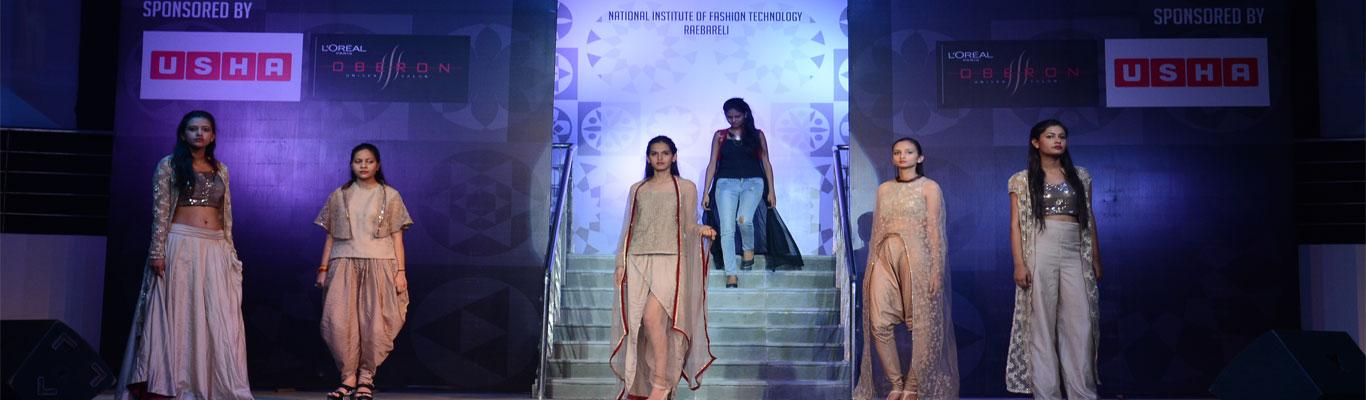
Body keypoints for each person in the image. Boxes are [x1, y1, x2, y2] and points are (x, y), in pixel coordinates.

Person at [118, 110, 253, 400]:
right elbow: (160, 211)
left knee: (215, 315)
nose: (199, 134)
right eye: (193, 129)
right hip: (181, 244)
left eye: (205, 129)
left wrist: (229, 249)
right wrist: (157, 251)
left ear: (213, 136)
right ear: (183, 134)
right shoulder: (168, 165)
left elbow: (226, 213)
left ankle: (209, 383)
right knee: (181, 313)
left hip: (214, 246)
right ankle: (175, 382)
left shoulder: (221, 169)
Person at [610, 136, 717, 400]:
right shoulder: (638, 189)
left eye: (665, 153)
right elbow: (629, 227)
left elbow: (688, 223)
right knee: (641, 325)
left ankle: (662, 381)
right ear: (648, 158)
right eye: (655, 153)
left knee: (652, 317)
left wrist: (700, 229)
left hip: (671, 259)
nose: (660, 158)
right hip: (637, 258)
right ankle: (650, 385)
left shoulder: (686, 187)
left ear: (674, 156)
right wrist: (621, 262)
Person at [1004, 120, 1103, 400]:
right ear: (1036, 142)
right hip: (1040, 246)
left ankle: (1082, 393)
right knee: (1041, 324)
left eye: (1062, 136)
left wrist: (1095, 257)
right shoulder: (1021, 179)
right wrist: (1019, 263)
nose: (1057, 141)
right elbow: (1015, 225)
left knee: (1080, 323)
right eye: (1050, 136)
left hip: (1075, 248)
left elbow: (1089, 218)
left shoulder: (1080, 176)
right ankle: (1047, 394)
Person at [854, 138, 958, 400]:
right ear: (892, 158)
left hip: (917, 256)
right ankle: (896, 383)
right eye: (897, 152)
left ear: (919, 158)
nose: (903, 156)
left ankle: (912, 385)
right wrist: (872, 265)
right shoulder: (884, 189)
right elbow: (877, 229)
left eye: (909, 152)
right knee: (878, 322)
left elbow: (934, 230)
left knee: (921, 322)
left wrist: (936, 269)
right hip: (884, 255)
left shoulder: (930, 187)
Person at [314, 143, 414, 400]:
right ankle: (347, 378)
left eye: (369, 161)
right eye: (358, 161)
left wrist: (400, 271)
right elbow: (330, 236)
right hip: (343, 262)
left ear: (377, 165)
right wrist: (323, 268)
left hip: (379, 263)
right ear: (351, 165)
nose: (363, 165)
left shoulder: (390, 195)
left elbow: (397, 237)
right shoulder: (339, 195)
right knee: (338, 322)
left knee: (375, 324)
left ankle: (366, 379)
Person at [702, 97, 776, 288]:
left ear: (745, 115)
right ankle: (731, 274)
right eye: (729, 117)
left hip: (753, 182)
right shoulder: (720, 136)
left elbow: (766, 163)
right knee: (727, 229)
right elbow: (712, 164)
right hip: (725, 184)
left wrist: (772, 190)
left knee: (744, 219)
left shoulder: (757, 135)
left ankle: (748, 248)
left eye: (737, 116)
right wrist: (705, 192)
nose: (733, 120)